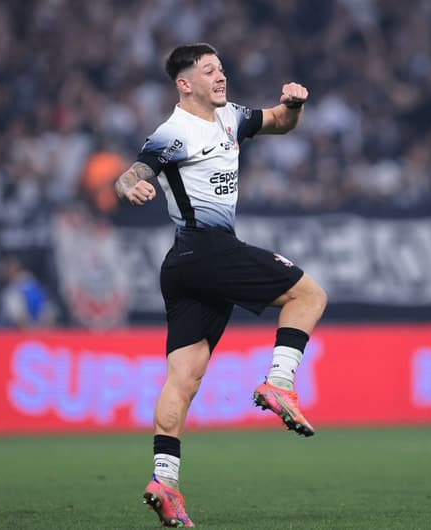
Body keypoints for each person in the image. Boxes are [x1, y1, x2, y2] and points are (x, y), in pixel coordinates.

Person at [114, 43, 327, 528]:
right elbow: (133, 173)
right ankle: (279, 383)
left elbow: (277, 122)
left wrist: (293, 105)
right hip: (208, 249)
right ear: (184, 84)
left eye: (222, 69)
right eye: (209, 71)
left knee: (184, 377)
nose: (221, 76)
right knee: (309, 295)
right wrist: (131, 187)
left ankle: (164, 481)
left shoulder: (231, 117)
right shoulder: (175, 132)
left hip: (184, 265)